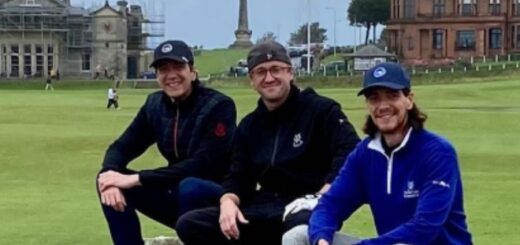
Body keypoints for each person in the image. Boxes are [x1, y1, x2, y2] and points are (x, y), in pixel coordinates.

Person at [175, 40, 360, 245]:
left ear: (290, 73)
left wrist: (323, 195)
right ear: (252, 80)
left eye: (276, 69)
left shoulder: (321, 110)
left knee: (299, 232)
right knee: (191, 224)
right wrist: (228, 201)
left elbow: (350, 152)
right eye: (261, 72)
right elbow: (238, 175)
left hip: (307, 206)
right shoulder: (249, 125)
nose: (269, 78)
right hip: (264, 207)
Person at [286, 62, 473, 245]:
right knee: (298, 237)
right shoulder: (365, 154)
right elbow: (330, 205)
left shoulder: (438, 152)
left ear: (409, 100)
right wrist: (321, 239)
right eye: (374, 98)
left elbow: (424, 228)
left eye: (392, 96)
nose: (382, 106)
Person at [96, 40, 237, 245]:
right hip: (178, 194)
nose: (171, 75)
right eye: (163, 69)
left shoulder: (218, 106)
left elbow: (203, 165)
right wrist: (109, 174)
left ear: (193, 71)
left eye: (178, 67)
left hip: (217, 199)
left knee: (191, 186)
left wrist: (137, 178)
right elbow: (121, 147)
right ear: (157, 76)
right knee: (106, 179)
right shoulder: (155, 105)